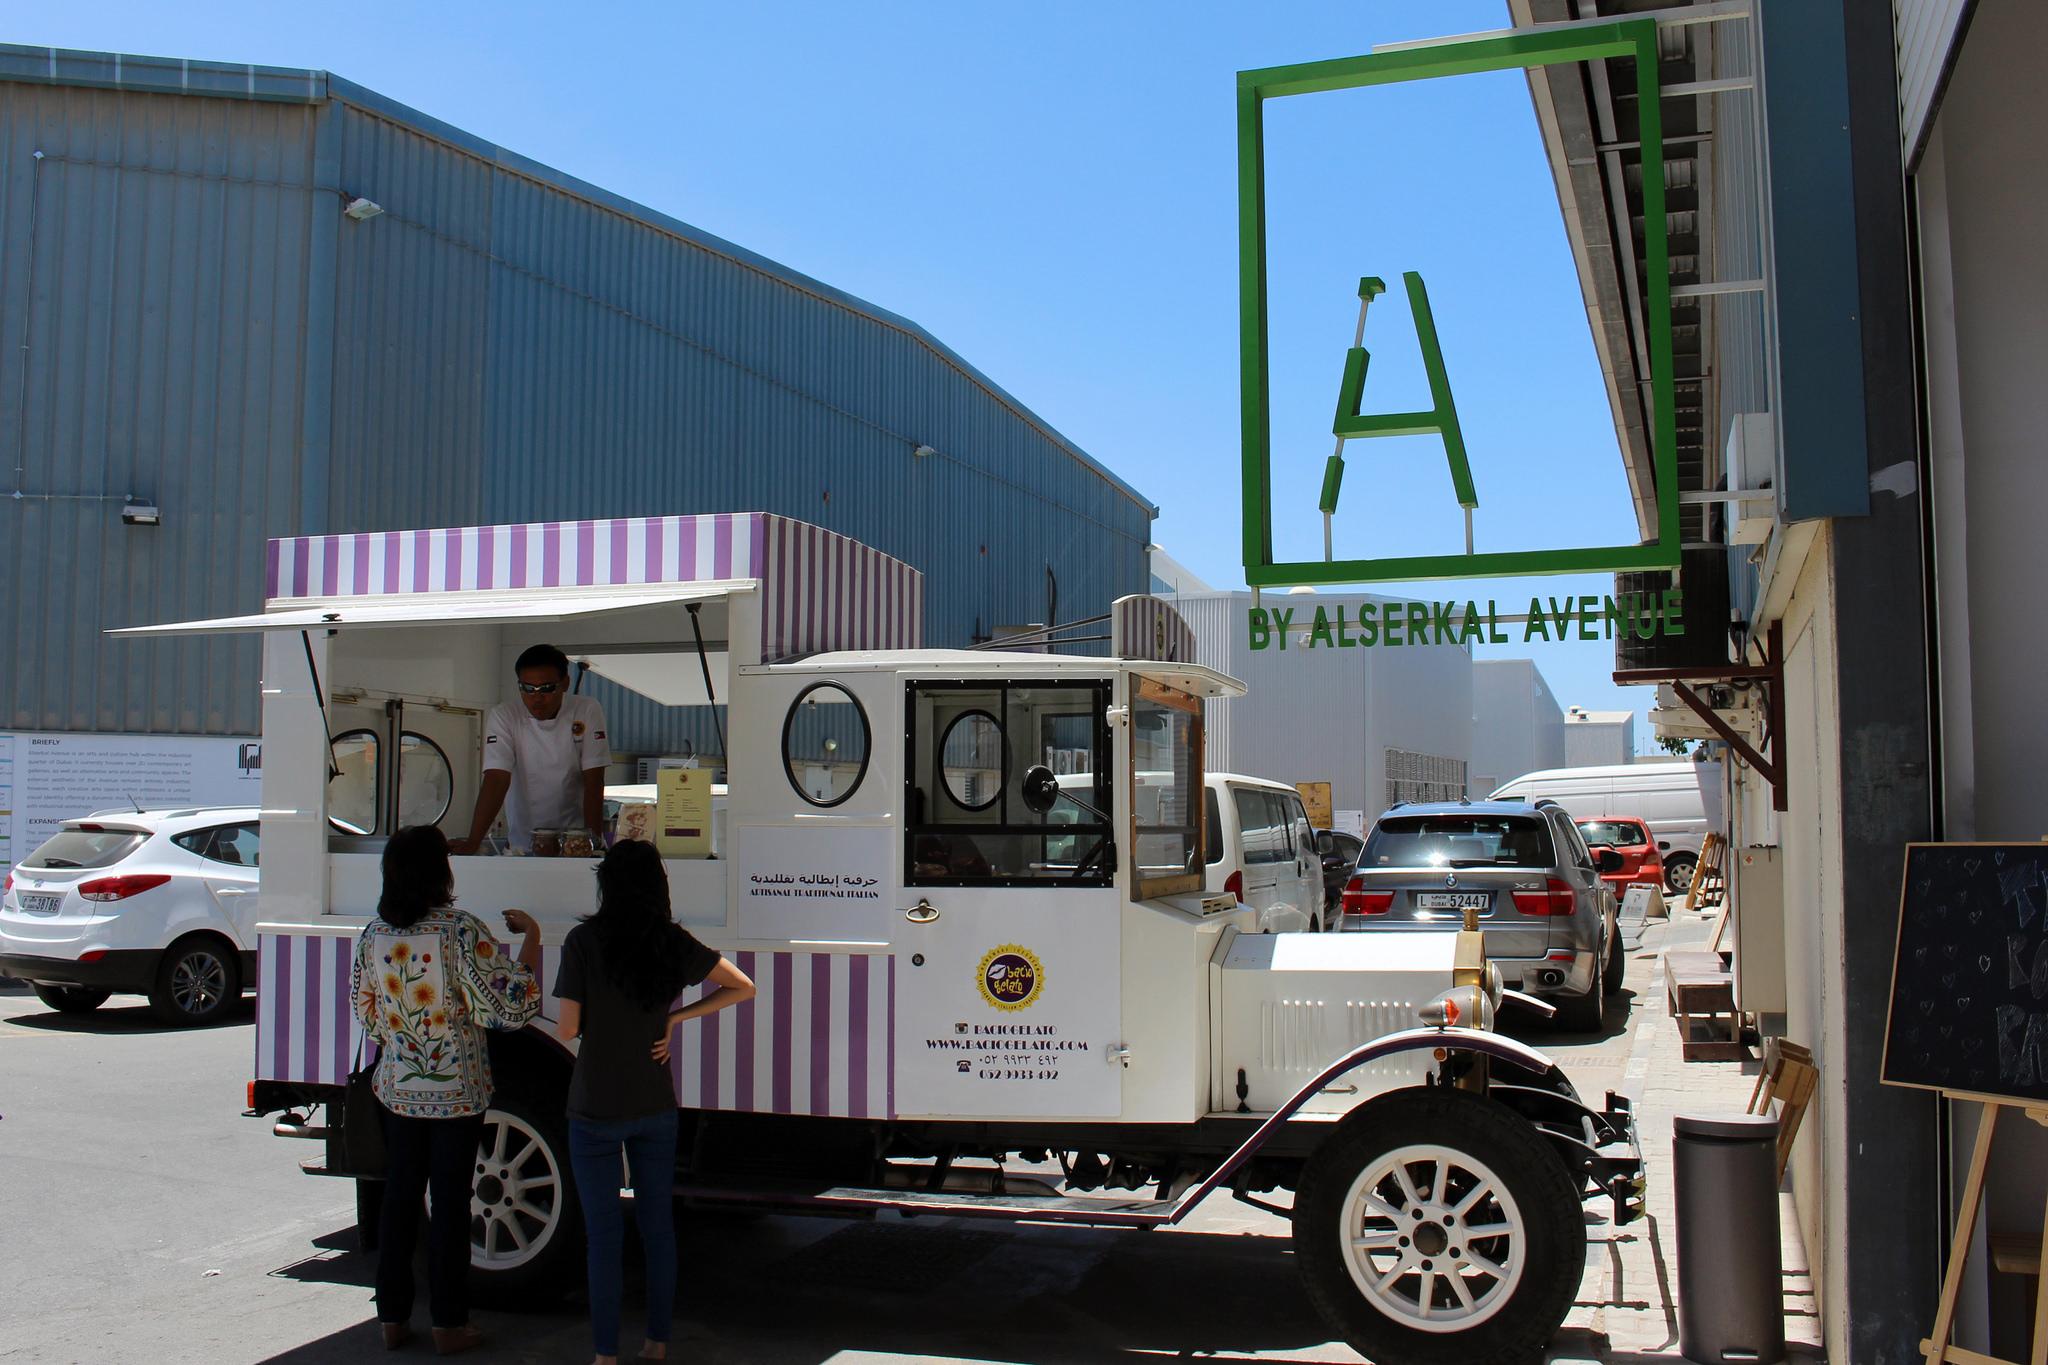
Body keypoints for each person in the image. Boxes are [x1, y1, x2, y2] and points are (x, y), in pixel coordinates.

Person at [554, 841, 755, 1365]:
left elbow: (569, 1026)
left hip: (594, 1103)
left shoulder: (582, 941)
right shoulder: (669, 941)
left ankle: (605, 1355)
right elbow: (742, 987)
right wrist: (674, 1019)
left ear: (607, 884)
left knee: (603, 1238)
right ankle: (657, 1344)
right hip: (654, 1102)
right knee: (656, 1229)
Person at [350, 825, 541, 1355]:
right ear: (442, 872)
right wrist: (532, 939)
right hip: (458, 1092)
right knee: (452, 1205)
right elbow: (508, 1005)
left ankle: (391, 1317)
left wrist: (403, 1037)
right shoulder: (459, 932)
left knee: (400, 1199)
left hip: (398, 1089)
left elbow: (364, 1010)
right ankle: (449, 1324)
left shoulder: (374, 935)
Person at [452, 643, 609, 854]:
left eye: (546, 689)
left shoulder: (586, 709)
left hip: (575, 843)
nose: (537, 698)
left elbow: (594, 780)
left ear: (565, 683)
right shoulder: (505, 715)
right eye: (527, 689)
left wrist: (593, 844)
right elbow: (496, 779)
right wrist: (473, 841)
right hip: (523, 844)